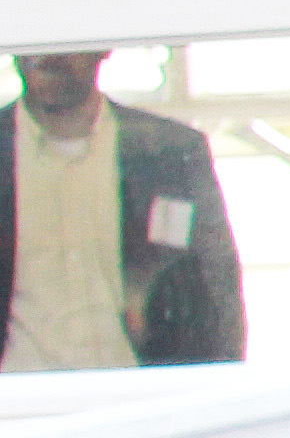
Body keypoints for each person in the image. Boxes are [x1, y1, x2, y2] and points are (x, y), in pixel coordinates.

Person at [3, 47, 243, 367]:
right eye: (34, 41)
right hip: (15, 403)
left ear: (102, 47)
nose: (46, 56)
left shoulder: (168, 151)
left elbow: (216, 286)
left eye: (65, 41)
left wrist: (215, 395)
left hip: (139, 397)